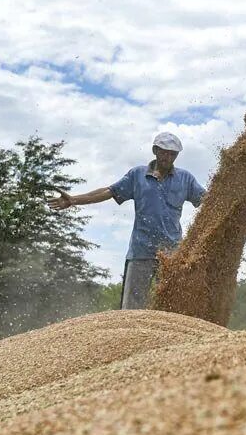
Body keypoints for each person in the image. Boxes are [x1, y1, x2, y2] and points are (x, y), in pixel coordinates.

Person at [49, 132, 205, 309]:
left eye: (173, 154)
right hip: (141, 252)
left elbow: (208, 200)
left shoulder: (185, 179)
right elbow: (109, 192)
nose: (168, 157)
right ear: (155, 150)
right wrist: (74, 200)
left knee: (172, 309)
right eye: (164, 152)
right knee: (131, 309)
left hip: (172, 255)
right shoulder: (137, 175)